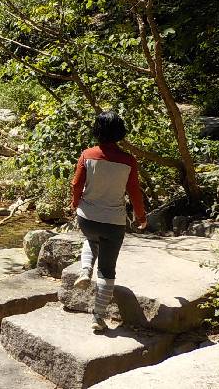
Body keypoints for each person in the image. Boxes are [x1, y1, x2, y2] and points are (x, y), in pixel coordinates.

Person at [70, 110, 147, 332]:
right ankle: (98, 317)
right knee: (107, 270)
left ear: (98, 130)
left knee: (90, 239)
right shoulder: (128, 161)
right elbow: (134, 192)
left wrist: (76, 205)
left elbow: (76, 185)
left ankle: (85, 271)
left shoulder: (87, 155)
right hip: (113, 222)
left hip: (87, 217)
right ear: (120, 132)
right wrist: (140, 217)